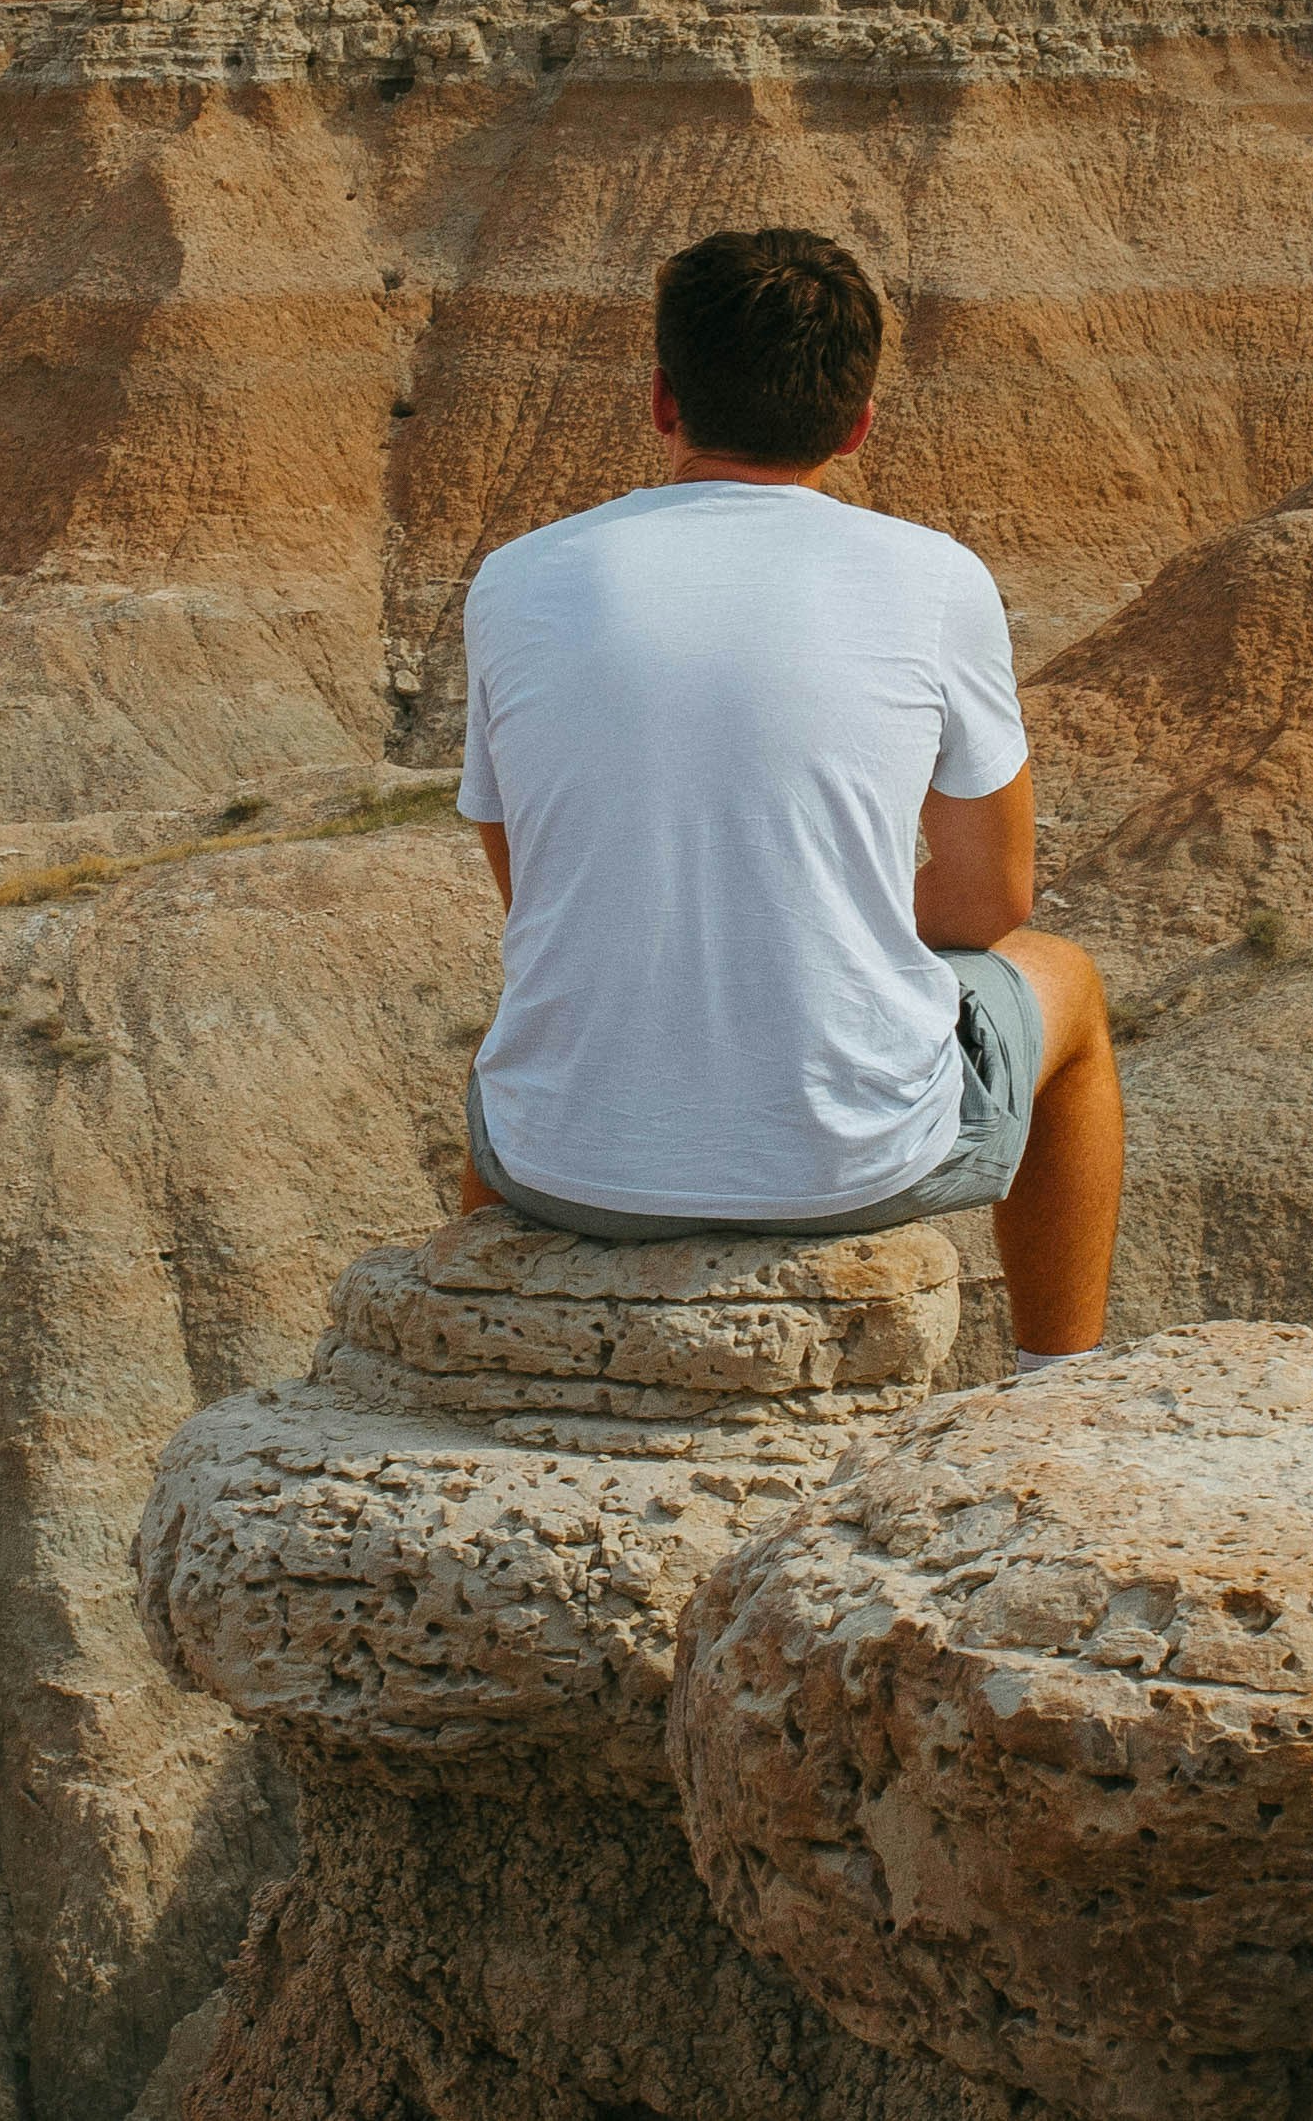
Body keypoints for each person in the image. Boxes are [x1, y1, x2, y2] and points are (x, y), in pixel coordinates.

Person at [453, 224, 1122, 1365]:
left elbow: (546, 892)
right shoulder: (936, 578)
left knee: (536, 1036)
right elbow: (990, 897)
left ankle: (470, 1351)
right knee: (1070, 985)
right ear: (858, 425)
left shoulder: (515, 579)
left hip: (559, 1175)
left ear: (663, 399)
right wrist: (826, 915)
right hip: (852, 1167)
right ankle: (1055, 1382)